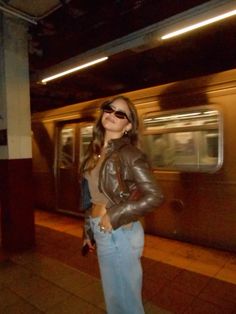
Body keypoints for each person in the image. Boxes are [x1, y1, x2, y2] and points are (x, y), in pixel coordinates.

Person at [80, 95, 164, 314]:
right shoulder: (95, 152)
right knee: (115, 301)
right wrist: (89, 229)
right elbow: (92, 197)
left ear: (128, 125)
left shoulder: (129, 154)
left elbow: (155, 196)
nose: (112, 115)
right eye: (109, 109)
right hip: (104, 231)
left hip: (121, 233)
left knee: (127, 303)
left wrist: (115, 214)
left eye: (120, 113)